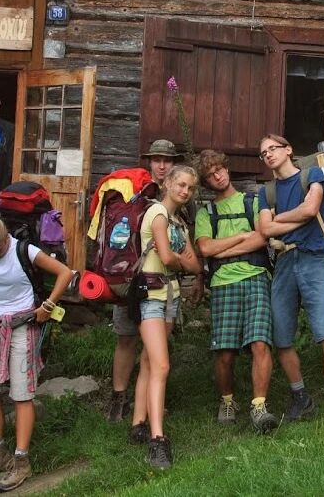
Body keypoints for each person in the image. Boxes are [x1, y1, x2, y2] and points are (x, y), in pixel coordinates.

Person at [0, 214, 73, 491]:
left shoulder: (25, 250)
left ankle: (22, 461)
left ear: (5, 236)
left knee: (22, 395)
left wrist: (48, 306)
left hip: (23, 326)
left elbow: (65, 273)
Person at [257, 134, 324, 430]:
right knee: (282, 337)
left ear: (288, 149)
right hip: (285, 262)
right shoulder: (266, 191)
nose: (268, 155)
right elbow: (264, 230)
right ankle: (300, 397)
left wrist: (279, 221)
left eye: (273, 148)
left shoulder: (312, 174)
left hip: (315, 259)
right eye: (263, 153)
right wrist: (296, 218)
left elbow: (312, 210)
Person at [193, 149, 277, 433]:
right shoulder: (206, 213)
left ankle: (259, 406)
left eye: (219, 169)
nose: (217, 176)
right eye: (210, 175)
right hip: (222, 283)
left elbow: (262, 238)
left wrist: (225, 248)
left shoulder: (252, 201)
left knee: (260, 342)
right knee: (225, 351)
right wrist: (242, 236)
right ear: (206, 182)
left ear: (227, 168)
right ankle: (227, 401)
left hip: (256, 276)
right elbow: (205, 248)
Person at [105, 139, 188, 422]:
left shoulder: (180, 196)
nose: (162, 165)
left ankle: (150, 404)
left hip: (162, 284)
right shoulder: (135, 193)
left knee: (157, 349)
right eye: (157, 159)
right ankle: (118, 399)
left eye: (168, 160)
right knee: (126, 338)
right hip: (132, 278)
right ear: (150, 162)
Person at [129, 165, 202, 469]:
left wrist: (180, 260)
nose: (185, 191)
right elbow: (169, 257)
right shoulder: (157, 213)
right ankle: (157, 441)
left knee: (149, 360)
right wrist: (180, 259)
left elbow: (196, 265)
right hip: (151, 296)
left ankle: (138, 423)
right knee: (161, 365)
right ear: (168, 183)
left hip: (170, 296)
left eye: (190, 188)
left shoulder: (178, 221)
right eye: (181, 184)